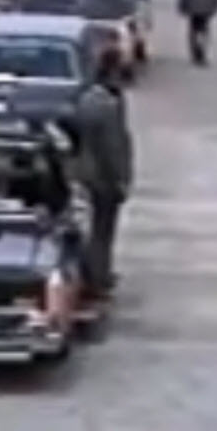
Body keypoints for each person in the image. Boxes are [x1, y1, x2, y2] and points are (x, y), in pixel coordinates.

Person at [75, 46, 133, 299]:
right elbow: (114, 146)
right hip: (102, 178)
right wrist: (121, 178)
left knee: (94, 228)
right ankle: (98, 278)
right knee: (103, 230)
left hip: (85, 173)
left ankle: (95, 274)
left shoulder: (85, 100)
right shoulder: (107, 105)